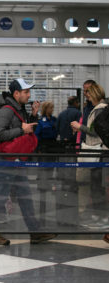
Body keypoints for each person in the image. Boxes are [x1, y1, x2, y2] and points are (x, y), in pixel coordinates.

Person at [0, 78, 57, 245]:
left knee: (26, 197)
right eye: (26, 92)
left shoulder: (20, 109)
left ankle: (35, 232)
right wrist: (21, 129)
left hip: (15, 161)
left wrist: (33, 115)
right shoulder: (6, 110)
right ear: (16, 93)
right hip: (4, 161)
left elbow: (25, 130)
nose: (29, 94)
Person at [71, 83, 108, 231]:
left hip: (98, 150)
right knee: (96, 185)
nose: (86, 96)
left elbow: (95, 131)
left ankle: (102, 217)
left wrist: (79, 127)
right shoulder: (99, 108)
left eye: (88, 93)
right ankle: (100, 216)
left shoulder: (100, 110)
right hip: (97, 150)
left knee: (97, 185)